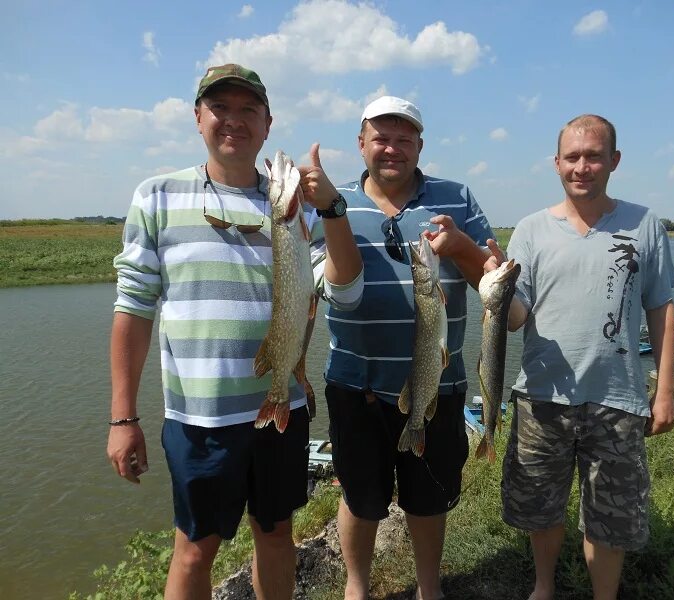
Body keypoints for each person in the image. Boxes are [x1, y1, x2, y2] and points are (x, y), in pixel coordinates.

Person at [106, 63, 363, 600]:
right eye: (220, 107)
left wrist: (331, 208)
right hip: (200, 417)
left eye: (249, 110)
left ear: (267, 124)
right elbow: (132, 308)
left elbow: (344, 288)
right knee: (196, 548)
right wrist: (123, 416)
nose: (234, 120)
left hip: (281, 409)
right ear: (198, 117)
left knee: (275, 533)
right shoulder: (156, 196)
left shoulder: (300, 212)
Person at [485, 114, 674, 600]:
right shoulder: (530, 230)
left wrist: (666, 389)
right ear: (556, 163)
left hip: (618, 399)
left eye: (594, 156)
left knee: (610, 518)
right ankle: (543, 587)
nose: (582, 166)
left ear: (614, 160)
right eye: (572, 157)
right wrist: (495, 286)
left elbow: (661, 306)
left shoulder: (645, 223)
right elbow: (514, 318)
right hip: (541, 397)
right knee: (540, 508)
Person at [323, 96, 494, 600]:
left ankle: (428, 589)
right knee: (359, 496)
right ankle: (357, 588)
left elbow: (491, 281)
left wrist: (463, 247)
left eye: (404, 139)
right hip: (354, 383)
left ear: (420, 145)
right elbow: (324, 282)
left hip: (439, 383)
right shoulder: (334, 203)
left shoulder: (456, 196)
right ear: (361, 144)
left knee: (427, 497)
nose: (392, 148)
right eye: (381, 138)